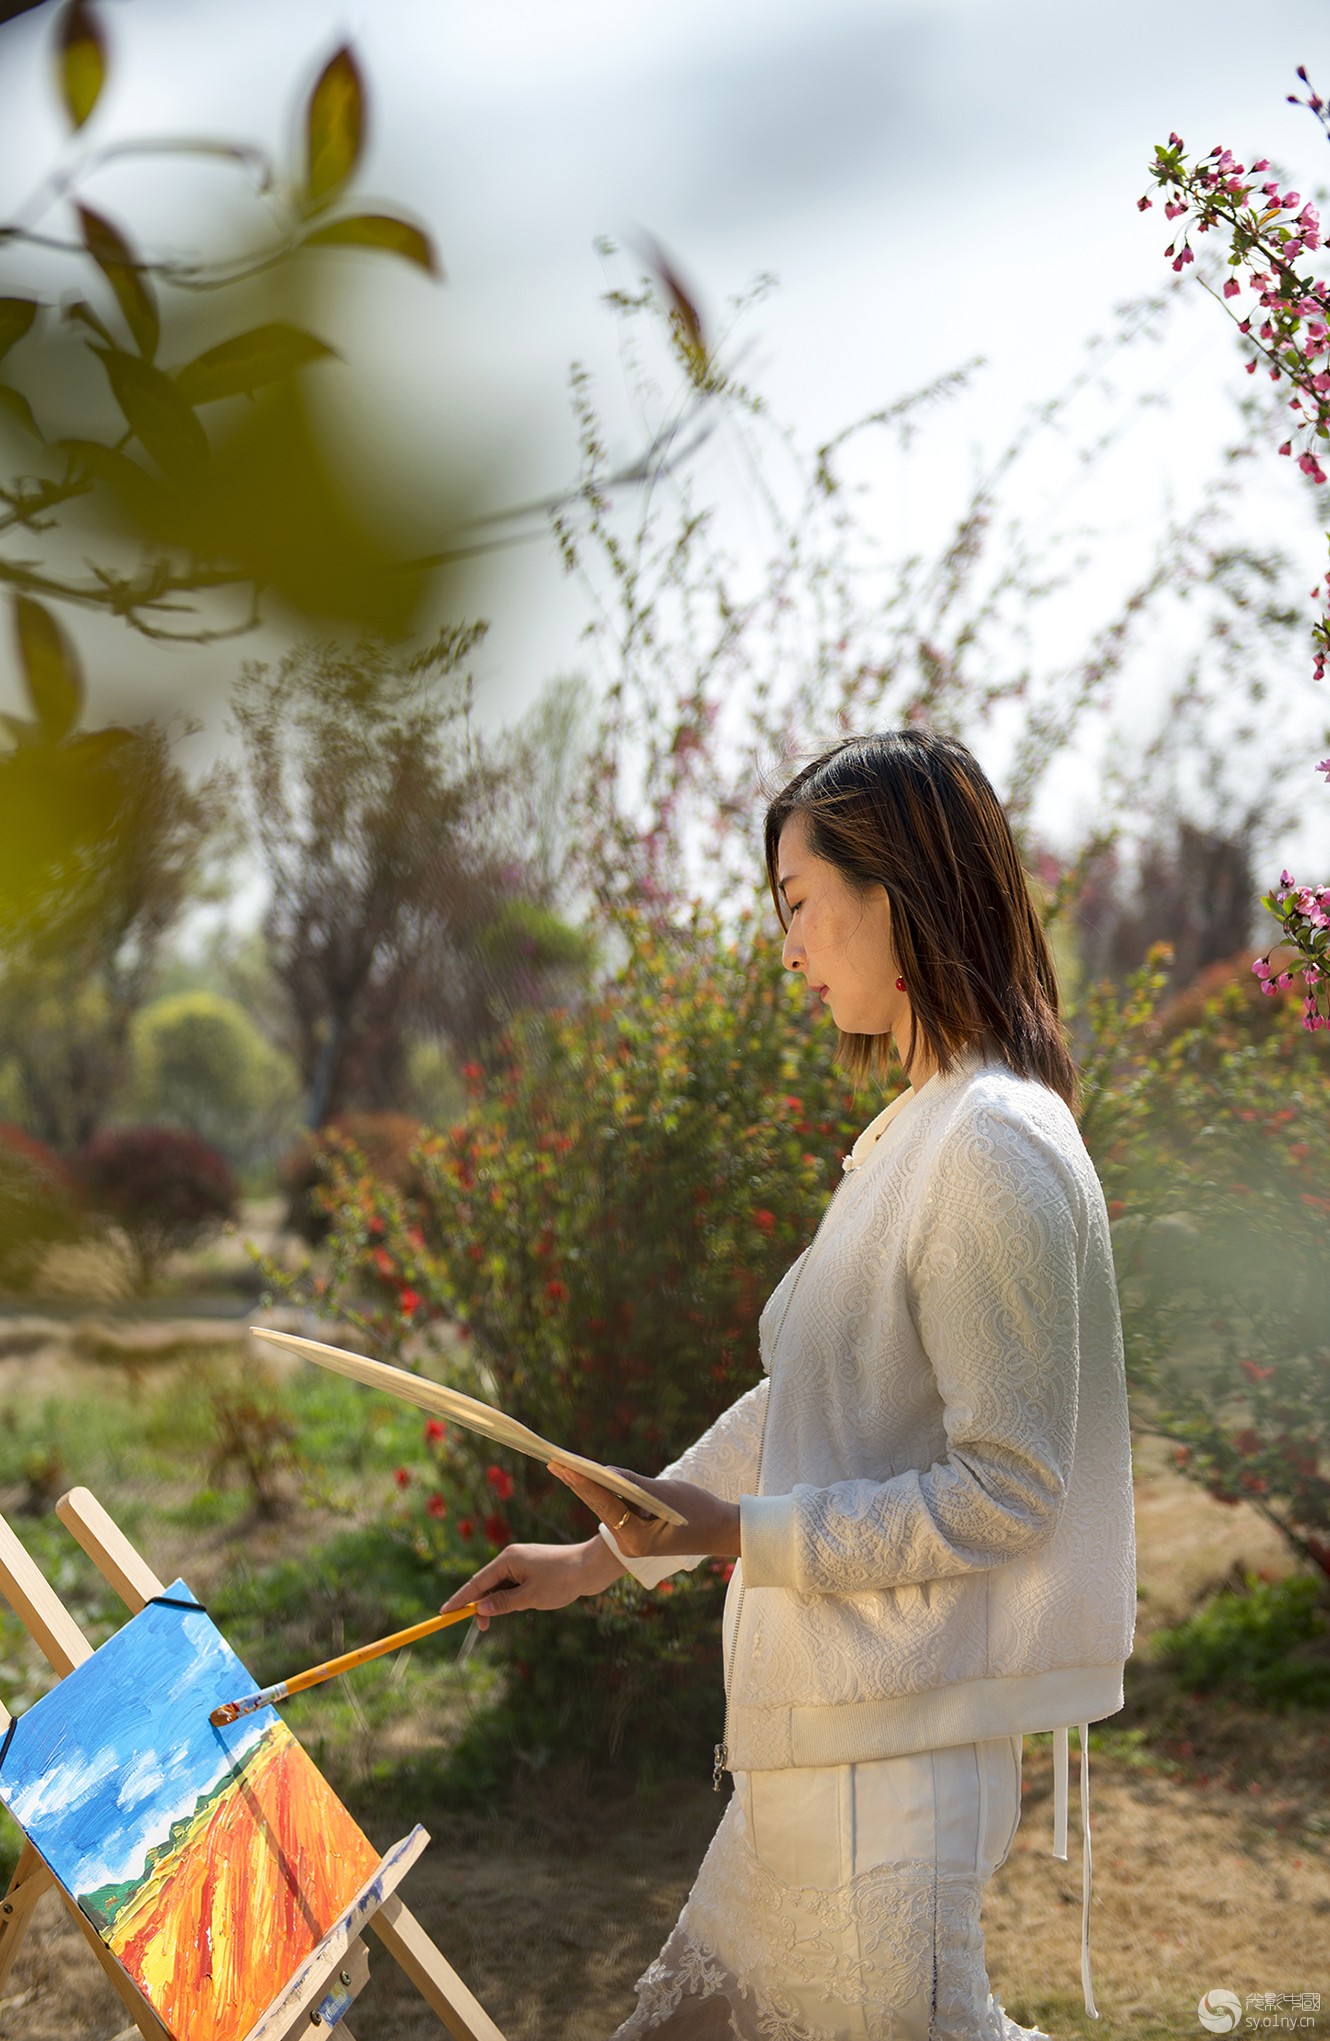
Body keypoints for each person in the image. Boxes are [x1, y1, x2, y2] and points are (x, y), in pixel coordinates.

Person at [441, 729, 1137, 2041]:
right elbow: (797, 1408)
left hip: (892, 1770)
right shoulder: (914, 1133)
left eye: (799, 903)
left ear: (897, 896)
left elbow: (1008, 1494)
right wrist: (605, 1550)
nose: (789, 945)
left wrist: (735, 1536)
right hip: (817, 1748)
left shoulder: (988, 1142)